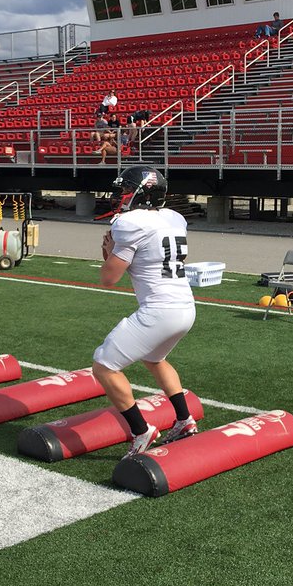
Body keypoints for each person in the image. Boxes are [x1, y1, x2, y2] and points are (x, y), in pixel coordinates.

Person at [92, 166, 198, 456]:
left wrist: (110, 250)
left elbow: (108, 278)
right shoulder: (173, 219)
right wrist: (114, 251)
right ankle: (184, 420)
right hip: (185, 307)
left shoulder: (129, 223)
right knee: (155, 359)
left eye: (124, 189)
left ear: (143, 194)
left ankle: (141, 430)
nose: (119, 195)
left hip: (160, 311)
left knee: (103, 366)